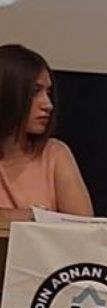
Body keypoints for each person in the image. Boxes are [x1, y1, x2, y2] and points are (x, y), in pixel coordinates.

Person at [0, 44, 93, 221]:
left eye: (48, 92)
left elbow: (83, 227)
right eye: (35, 92)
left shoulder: (55, 154)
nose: (48, 105)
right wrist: (35, 216)